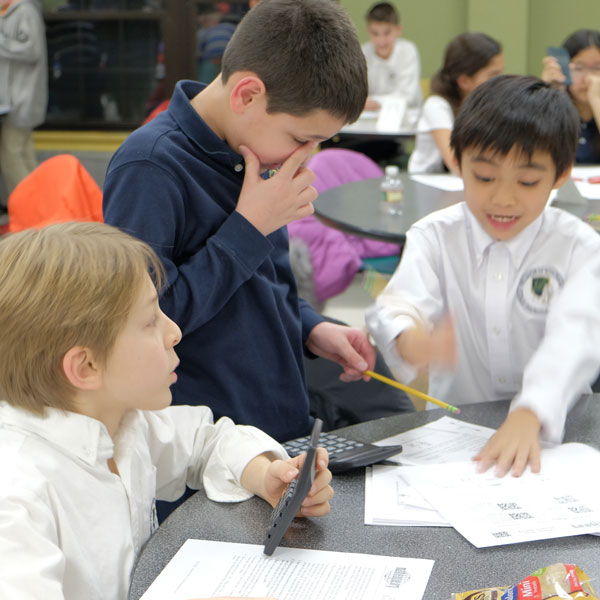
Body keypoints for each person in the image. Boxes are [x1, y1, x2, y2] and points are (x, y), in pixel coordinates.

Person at [104, 0, 410, 444]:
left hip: (281, 424)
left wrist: (310, 327)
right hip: (204, 455)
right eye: (302, 139)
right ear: (247, 95)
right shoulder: (149, 167)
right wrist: (249, 226)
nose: (308, 156)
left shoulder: (254, 151)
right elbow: (145, 323)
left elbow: (261, 285)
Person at [0, 221, 333, 600]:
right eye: (149, 321)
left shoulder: (119, 420)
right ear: (86, 367)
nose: (174, 330)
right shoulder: (15, 494)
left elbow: (205, 440)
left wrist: (266, 474)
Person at [367, 75, 600, 477]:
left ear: (561, 175)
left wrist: (530, 412)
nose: (503, 199)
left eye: (527, 182)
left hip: (562, 434)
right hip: (458, 437)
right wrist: (411, 340)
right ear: (458, 163)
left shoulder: (578, 247)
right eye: (484, 177)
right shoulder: (435, 236)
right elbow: (400, 304)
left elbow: (576, 336)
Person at [408, 32, 503, 174]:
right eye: (493, 75)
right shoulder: (436, 106)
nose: (500, 81)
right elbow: (456, 163)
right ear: (465, 81)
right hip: (426, 186)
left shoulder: (485, 105)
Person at [0, 0, 47, 200]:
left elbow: (31, 50)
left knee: (10, 154)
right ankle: (38, 208)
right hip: (10, 101)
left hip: (21, 100)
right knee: (25, 154)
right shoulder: (9, 12)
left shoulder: (25, 11)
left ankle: (25, 206)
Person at [541, 29, 600, 164]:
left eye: (598, 68)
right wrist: (550, 94)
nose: (588, 78)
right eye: (579, 68)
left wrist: (597, 100)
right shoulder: (556, 107)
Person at [361, 2, 422, 118]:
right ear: (368, 31)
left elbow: (408, 97)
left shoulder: (408, 51)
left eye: (387, 33)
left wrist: (375, 102)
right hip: (370, 118)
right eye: (375, 33)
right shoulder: (363, 53)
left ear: (398, 29)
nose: (381, 40)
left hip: (406, 117)